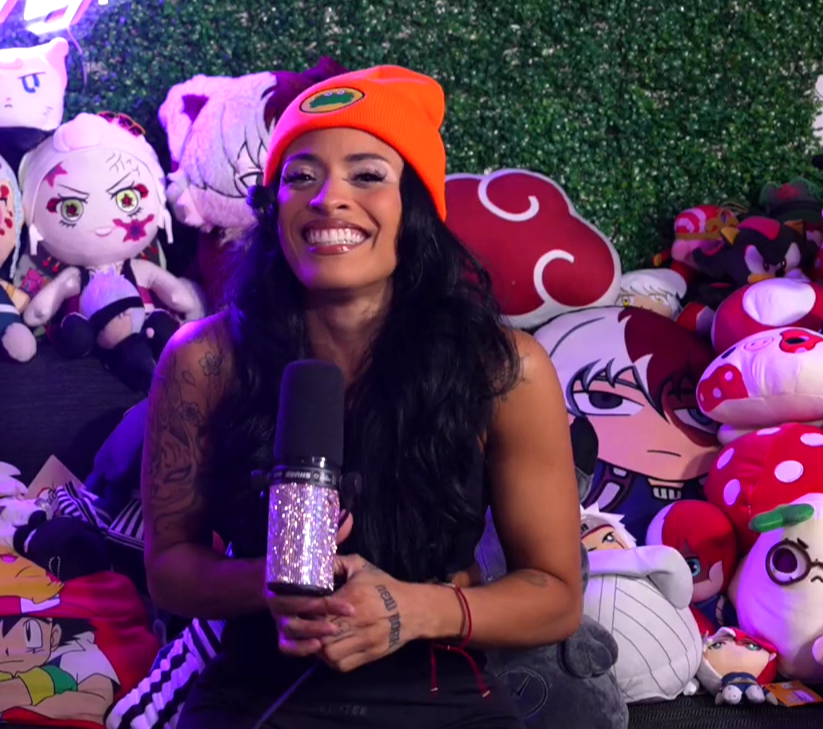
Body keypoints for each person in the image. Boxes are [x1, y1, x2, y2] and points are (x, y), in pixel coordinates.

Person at [141, 66, 584, 728]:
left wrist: (412, 611)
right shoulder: (204, 361)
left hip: (439, 697)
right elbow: (170, 567)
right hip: (257, 695)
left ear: (416, 207)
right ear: (274, 208)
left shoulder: (504, 368)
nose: (329, 199)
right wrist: (271, 583)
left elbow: (556, 596)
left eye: (368, 175)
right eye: (301, 177)